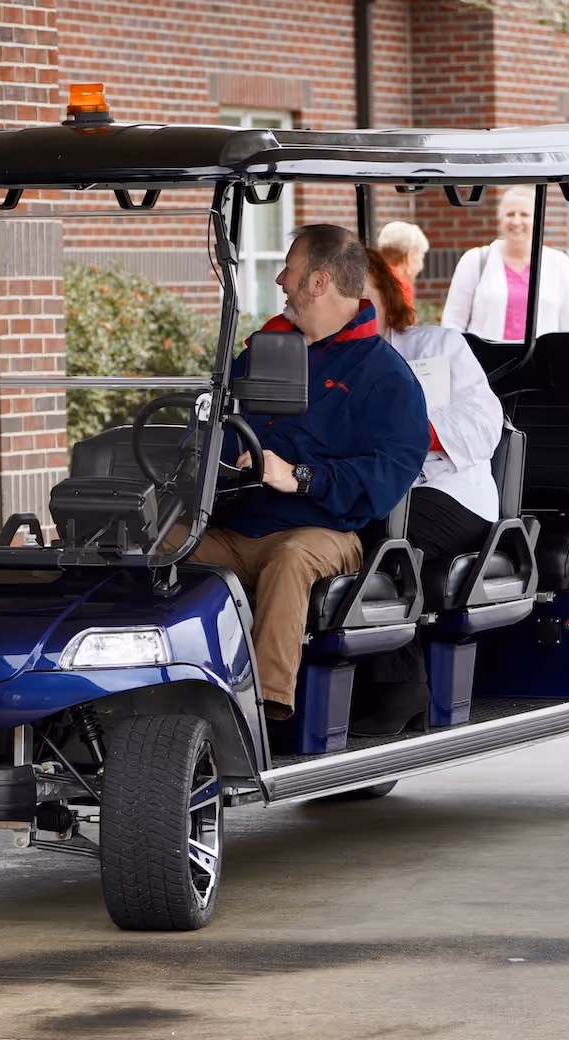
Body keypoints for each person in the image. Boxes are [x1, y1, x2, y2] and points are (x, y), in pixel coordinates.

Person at [167, 225, 431, 722]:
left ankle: (263, 714)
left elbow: (386, 478)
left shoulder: (387, 377)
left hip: (323, 531)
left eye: (289, 269)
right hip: (232, 523)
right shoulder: (264, 353)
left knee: (289, 559)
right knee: (156, 541)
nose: (281, 281)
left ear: (319, 282)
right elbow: (212, 427)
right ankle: (146, 690)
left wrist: (300, 476)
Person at [349, 248, 505, 735]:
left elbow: (484, 425)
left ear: (387, 297)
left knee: (382, 537)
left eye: (364, 298)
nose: (356, 309)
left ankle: (402, 686)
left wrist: (408, 431)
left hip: (450, 492)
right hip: (370, 490)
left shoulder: (436, 347)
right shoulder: (324, 363)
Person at [441, 185, 569, 339]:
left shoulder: (560, 264)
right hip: (486, 361)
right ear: (500, 219)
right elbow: (452, 323)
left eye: (524, 214)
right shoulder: (475, 261)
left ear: (537, 219)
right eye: (510, 214)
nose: (516, 221)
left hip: (542, 361)